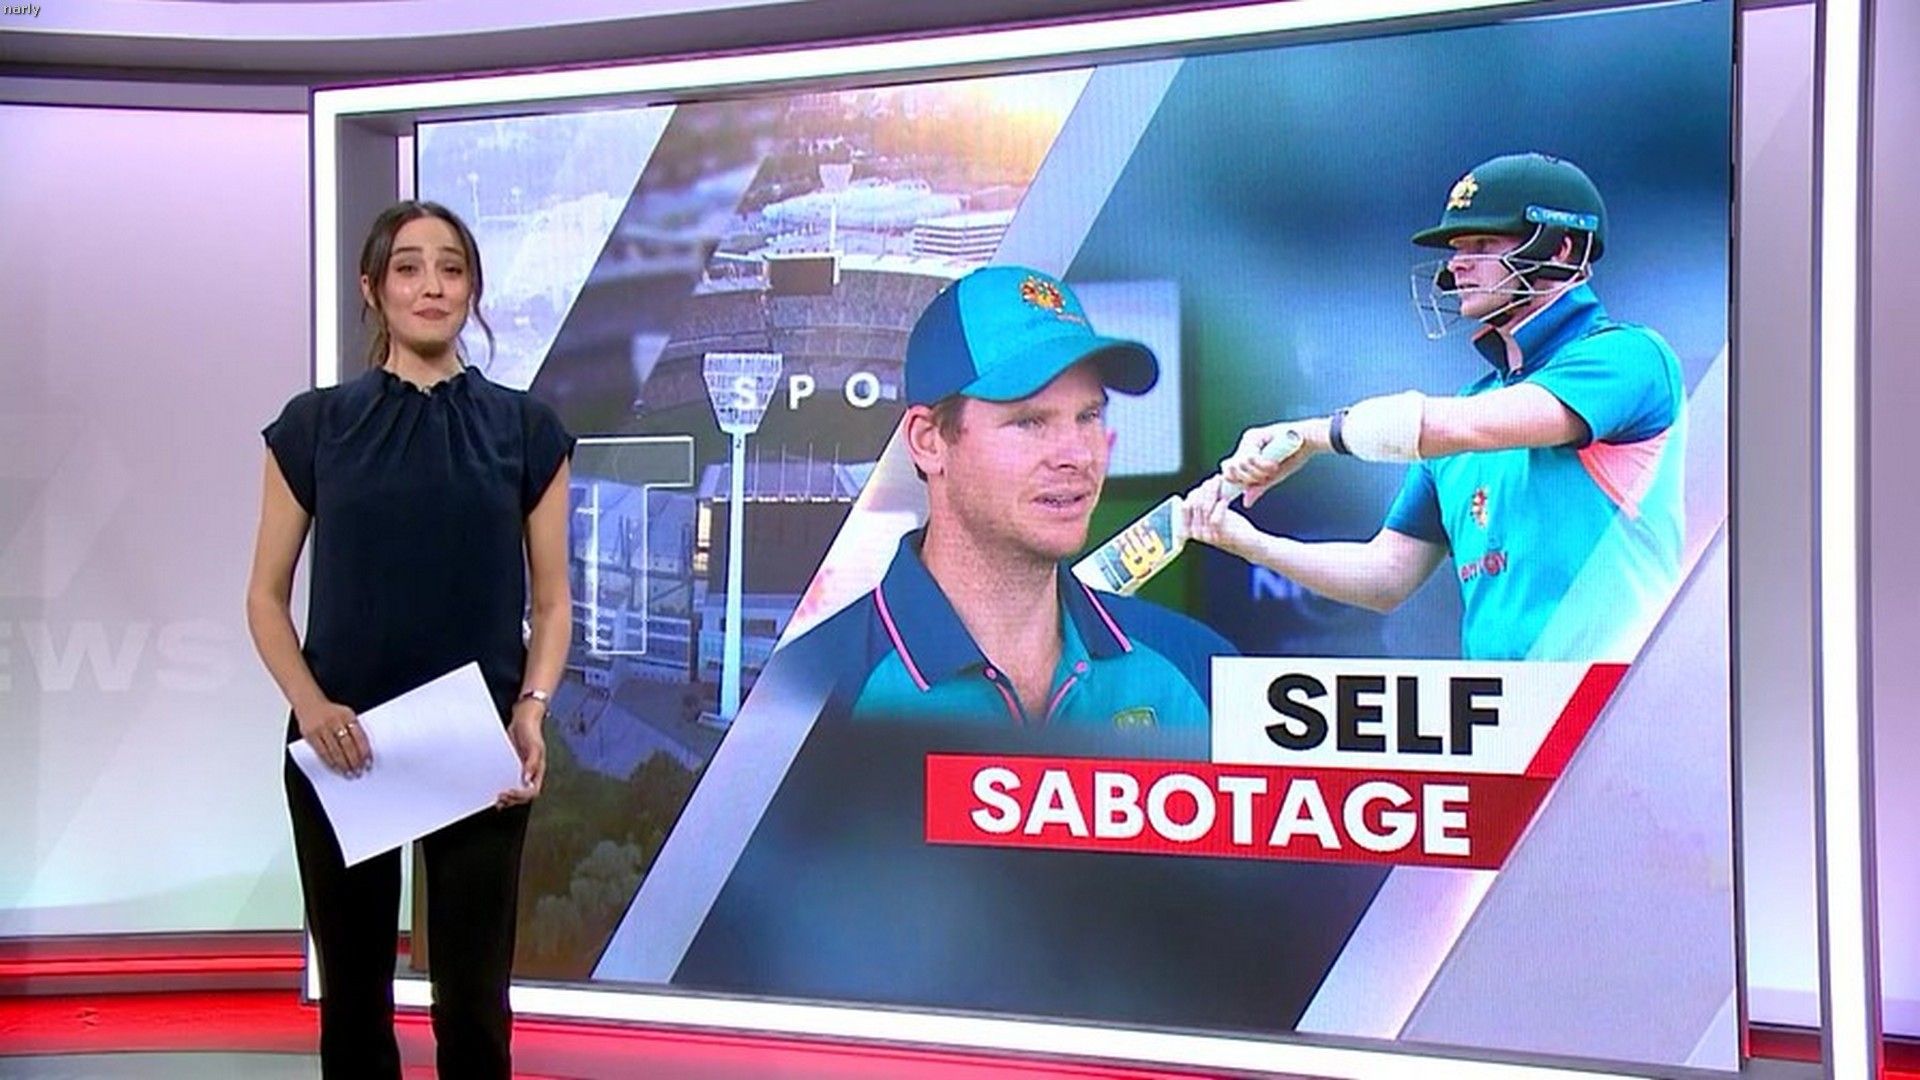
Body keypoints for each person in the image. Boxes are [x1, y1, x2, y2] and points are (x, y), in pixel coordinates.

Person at [245, 201, 574, 1078]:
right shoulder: (314, 427)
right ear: (372, 288)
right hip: (344, 745)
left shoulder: (526, 429)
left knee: (474, 1010)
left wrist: (531, 711)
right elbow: (266, 599)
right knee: (354, 1008)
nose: (432, 285)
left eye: (451, 268)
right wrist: (313, 708)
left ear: (473, 289)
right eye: (409, 267)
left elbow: (552, 604)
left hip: (478, 745)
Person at [1185, 152, 1685, 661]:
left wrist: (1312, 436)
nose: (1456, 263)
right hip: (1508, 707)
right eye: (1456, 248)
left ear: (1561, 248)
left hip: (1632, 697)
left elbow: (1469, 428)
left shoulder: (1629, 357)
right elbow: (1386, 576)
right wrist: (1250, 543)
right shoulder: (1468, 409)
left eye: (1483, 244)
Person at [794, 265, 1231, 740]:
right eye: (1030, 421)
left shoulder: (1196, 668)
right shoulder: (809, 695)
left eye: (1088, 416)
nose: (1078, 456)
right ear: (928, 441)